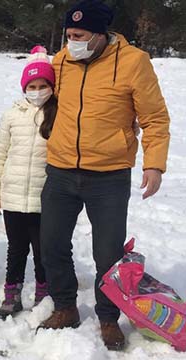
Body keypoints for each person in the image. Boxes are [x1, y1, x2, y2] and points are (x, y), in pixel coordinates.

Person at [37, 0, 171, 351]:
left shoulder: (133, 62)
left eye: (78, 36)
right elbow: (41, 99)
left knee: (108, 254)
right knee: (51, 244)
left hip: (108, 176)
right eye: (68, 35)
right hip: (62, 169)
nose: (70, 42)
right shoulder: (62, 61)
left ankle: (109, 318)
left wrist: (154, 163)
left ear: (99, 35)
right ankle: (65, 306)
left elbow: (155, 118)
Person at [0, 46, 56, 319]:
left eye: (43, 85)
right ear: (24, 87)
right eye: (32, 85)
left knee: (42, 250)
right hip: (13, 196)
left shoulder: (57, 114)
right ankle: (12, 294)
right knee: (16, 249)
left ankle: (42, 292)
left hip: (43, 198)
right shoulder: (12, 114)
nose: (37, 90)